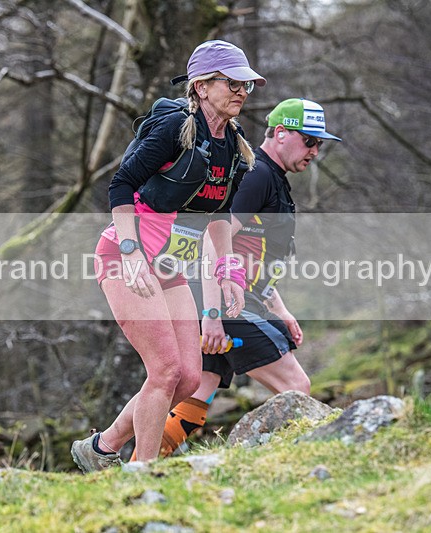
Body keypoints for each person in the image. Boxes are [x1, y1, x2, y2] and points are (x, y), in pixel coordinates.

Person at [70, 40, 266, 473]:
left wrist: (229, 272)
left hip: (171, 267)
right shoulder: (175, 127)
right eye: (232, 83)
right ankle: (141, 473)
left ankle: (102, 447)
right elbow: (121, 185)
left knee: (190, 379)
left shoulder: (234, 144)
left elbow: (218, 217)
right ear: (200, 86)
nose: (241, 92)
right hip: (126, 258)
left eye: (247, 85)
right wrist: (131, 249)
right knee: (164, 370)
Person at [142, 98, 342, 458]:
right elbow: (210, 240)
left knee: (194, 398)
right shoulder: (258, 175)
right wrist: (213, 315)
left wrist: (279, 308)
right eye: (309, 140)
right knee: (296, 385)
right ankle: (289, 465)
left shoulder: (272, 178)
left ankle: (138, 465)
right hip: (224, 302)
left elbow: (257, 257)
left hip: (228, 299)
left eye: (320, 144)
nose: (315, 150)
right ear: (280, 134)